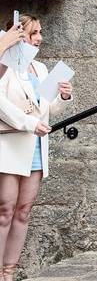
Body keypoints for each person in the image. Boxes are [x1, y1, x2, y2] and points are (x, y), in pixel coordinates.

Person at [0, 15, 72, 281]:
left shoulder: (40, 68)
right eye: (33, 33)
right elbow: (1, 105)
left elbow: (47, 109)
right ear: (18, 36)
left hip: (36, 147)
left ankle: (10, 271)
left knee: (24, 210)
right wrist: (28, 123)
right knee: (5, 210)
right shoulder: (5, 67)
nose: (39, 37)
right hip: (9, 145)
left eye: (40, 32)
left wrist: (64, 96)